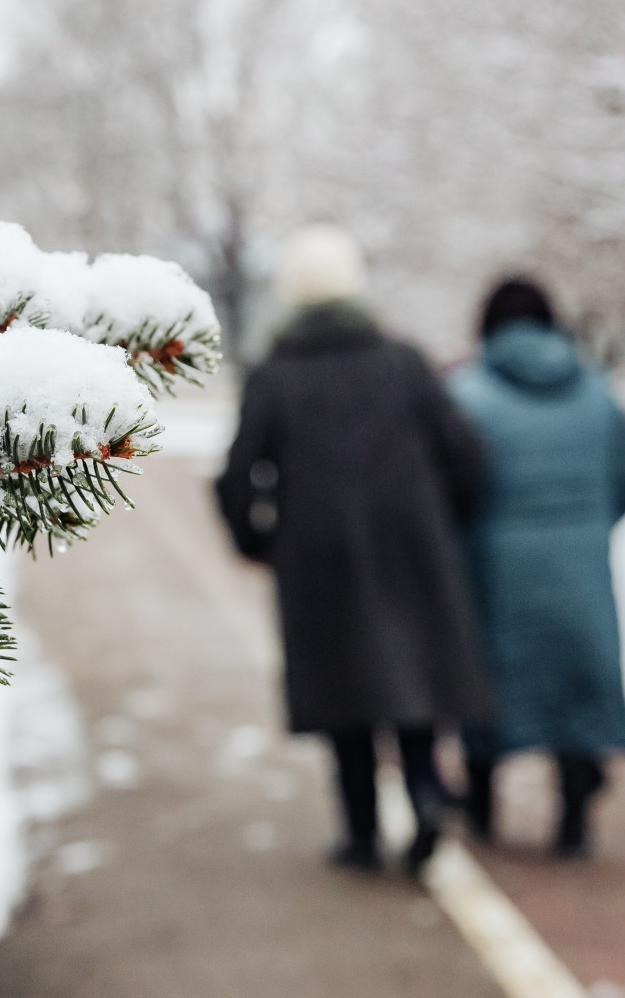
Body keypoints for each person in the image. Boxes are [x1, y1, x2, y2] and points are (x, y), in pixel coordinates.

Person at [215, 224, 492, 872]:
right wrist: (444, 520)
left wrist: (258, 541)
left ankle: (362, 832)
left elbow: (236, 476)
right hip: (409, 542)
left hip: (316, 553)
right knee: (414, 674)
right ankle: (424, 791)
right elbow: (465, 453)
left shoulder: (275, 374)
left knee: (341, 689)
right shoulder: (403, 361)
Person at [448, 276, 625, 859]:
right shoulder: (598, 393)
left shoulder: (467, 394)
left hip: (492, 565)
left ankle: (482, 808)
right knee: (576, 687)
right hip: (580, 563)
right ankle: (574, 820)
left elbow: (451, 487)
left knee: (490, 682)